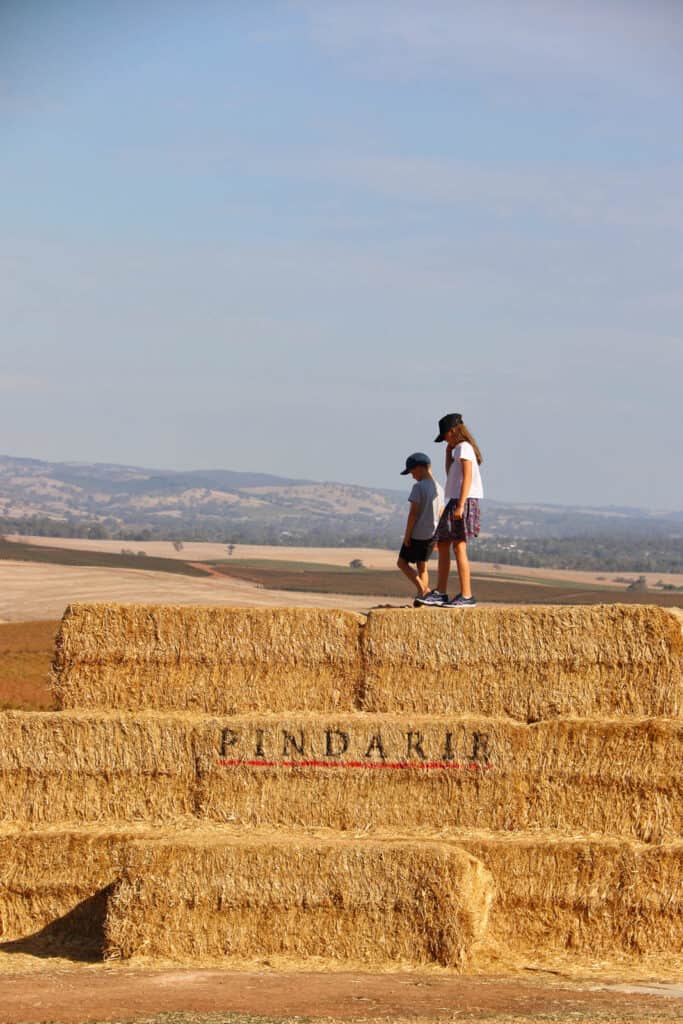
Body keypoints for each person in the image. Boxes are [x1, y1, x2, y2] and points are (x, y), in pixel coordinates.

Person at [416, 413, 483, 607]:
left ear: (452, 431)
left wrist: (461, 505)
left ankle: (467, 595)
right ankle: (441, 592)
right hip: (455, 500)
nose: (444, 439)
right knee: (444, 544)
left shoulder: (464, 448)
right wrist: (447, 455)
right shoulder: (458, 450)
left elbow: (468, 478)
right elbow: (451, 477)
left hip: (463, 501)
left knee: (458, 546)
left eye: (445, 435)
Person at [396, 452, 444, 605]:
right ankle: (421, 598)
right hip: (432, 534)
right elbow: (441, 513)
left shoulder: (418, 487)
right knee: (422, 566)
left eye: (412, 472)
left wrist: (407, 535)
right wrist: (438, 536)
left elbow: (413, 514)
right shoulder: (440, 489)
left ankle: (425, 590)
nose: (412, 476)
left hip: (417, 534)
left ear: (420, 468)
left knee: (402, 563)